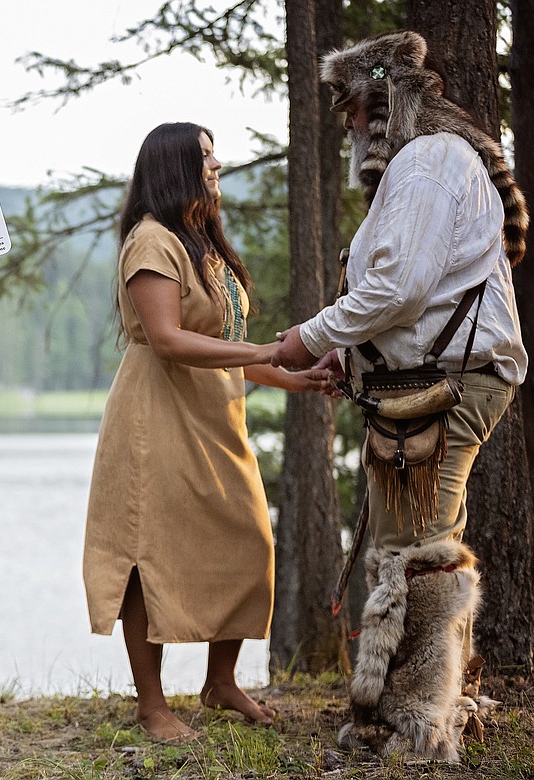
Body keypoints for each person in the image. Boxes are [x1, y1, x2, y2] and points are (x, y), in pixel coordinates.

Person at [272, 31, 527, 758]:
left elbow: (398, 289)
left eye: (352, 108)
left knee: (415, 555)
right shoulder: (425, 165)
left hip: (442, 391)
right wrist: (348, 360)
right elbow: (410, 298)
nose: (348, 125)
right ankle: (430, 707)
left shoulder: (423, 165)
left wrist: (313, 336)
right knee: (415, 545)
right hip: (423, 389)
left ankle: (417, 732)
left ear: (380, 103)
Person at [83, 123, 330, 741]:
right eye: (206, 158)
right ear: (174, 169)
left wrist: (290, 377)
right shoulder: (151, 241)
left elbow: (220, 347)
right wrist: (269, 349)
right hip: (154, 418)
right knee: (149, 554)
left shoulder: (203, 245)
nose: (217, 167)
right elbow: (166, 338)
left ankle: (221, 683)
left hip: (214, 417)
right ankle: (151, 706)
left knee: (248, 539)